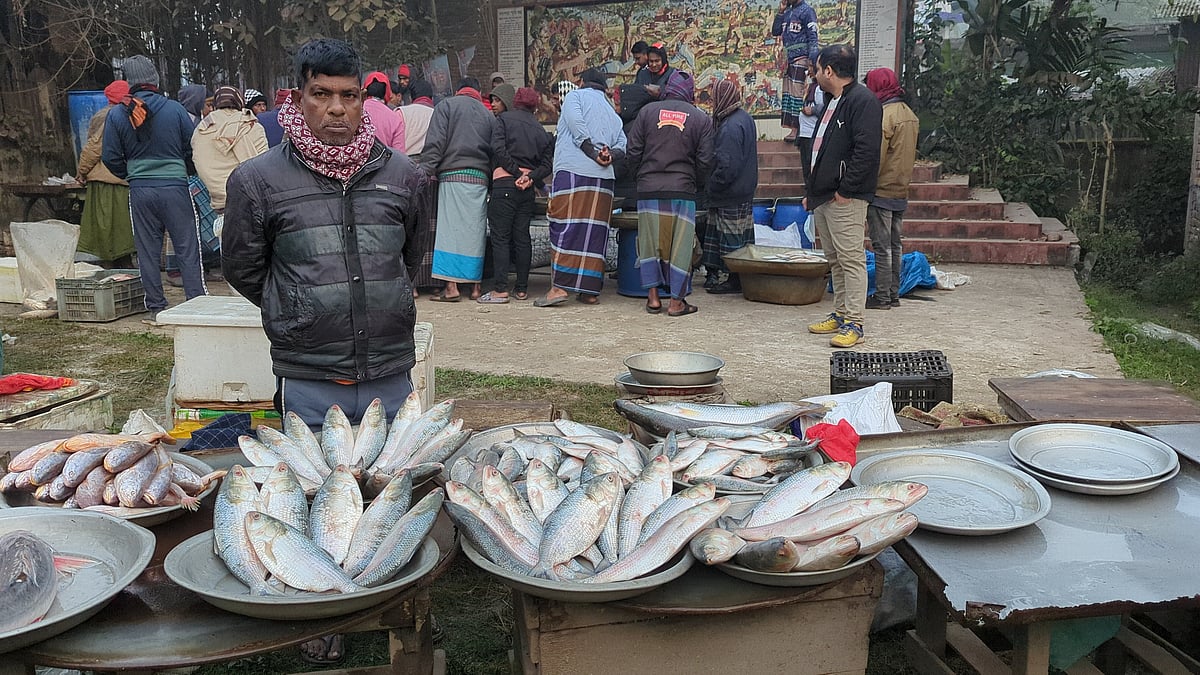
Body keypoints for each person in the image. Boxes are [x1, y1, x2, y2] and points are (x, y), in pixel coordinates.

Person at [223, 42, 425, 669]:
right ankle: (317, 611)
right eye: (322, 95)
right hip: (310, 373)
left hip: (388, 367)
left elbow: (410, 258)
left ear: (364, 100)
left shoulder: (403, 175)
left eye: (349, 96)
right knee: (312, 494)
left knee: (388, 490)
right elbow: (244, 268)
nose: (336, 109)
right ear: (298, 96)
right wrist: (302, 309)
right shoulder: (257, 181)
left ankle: (395, 602)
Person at [103, 55, 206, 320]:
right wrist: (183, 170)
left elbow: (110, 157)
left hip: (140, 191)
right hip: (175, 188)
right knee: (186, 245)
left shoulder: (117, 114)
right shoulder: (175, 110)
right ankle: (196, 305)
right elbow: (192, 148)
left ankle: (157, 307)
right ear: (155, 80)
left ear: (129, 83)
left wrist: (134, 175)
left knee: (147, 249)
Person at [801, 45, 882, 348]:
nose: (816, 74)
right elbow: (821, 149)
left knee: (851, 259)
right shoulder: (833, 99)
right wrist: (812, 191)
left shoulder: (863, 102)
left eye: (818, 69)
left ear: (830, 71)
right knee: (834, 258)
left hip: (845, 197)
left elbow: (866, 152)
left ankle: (855, 323)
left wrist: (845, 191)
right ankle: (839, 313)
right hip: (824, 196)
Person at [626, 70, 715, 317]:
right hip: (682, 191)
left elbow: (632, 151)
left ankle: (653, 298)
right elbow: (706, 160)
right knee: (680, 246)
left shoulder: (646, 113)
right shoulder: (700, 118)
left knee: (649, 243)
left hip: (648, 190)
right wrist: (695, 182)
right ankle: (676, 302)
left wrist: (640, 178)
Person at [538, 67, 625, 307]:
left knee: (564, 227)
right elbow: (622, 143)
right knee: (593, 234)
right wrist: (608, 156)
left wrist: (591, 150)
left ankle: (558, 288)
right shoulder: (610, 109)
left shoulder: (575, 97)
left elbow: (576, 123)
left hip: (573, 172)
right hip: (604, 179)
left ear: (582, 82)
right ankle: (589, 290)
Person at [419, 77, 495, 302]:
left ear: (458, 90)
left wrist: (425, 171)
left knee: (449, 232)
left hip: (452, 176)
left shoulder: (446, 106)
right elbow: (494, 150)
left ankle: (451, 287)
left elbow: (436, 143)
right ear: (478, 91)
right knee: (475, 232)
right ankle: (475, 287)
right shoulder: (488, 114)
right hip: (480, 178)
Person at [481, 86, 553, 304]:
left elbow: (498, 149)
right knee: (522, 238)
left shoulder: (503, 121)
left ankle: (500, 289)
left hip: (504, 184)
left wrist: (515, 172)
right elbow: (547, 164)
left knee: (501, 238)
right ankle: (521, 289)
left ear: (515, 102)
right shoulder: (541, 131)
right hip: (527, 190)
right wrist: (529, 177)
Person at [864, 67, 919, 311]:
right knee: (895, 245)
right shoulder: (909, 114)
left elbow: (877, 158)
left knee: (881, 246)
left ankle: (883, 296)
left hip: (882, 190)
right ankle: (894, 294)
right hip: (901, 188)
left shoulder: (884, 115)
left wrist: (862, 184)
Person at [702, 79, 757, 295]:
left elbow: (727, 166)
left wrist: (712, 186)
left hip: (729, 193)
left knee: (731, 239)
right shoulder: (744, 118)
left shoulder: (729, 127)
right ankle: (732, 276)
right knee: (739, 237)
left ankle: (734, 280)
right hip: (743, 190)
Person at [75, 80, 135, 266]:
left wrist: (81, 171)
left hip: (105, 179)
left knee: (105, 227)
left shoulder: (105, 115)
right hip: (125, 179)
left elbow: (94, 147)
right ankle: (124, 263)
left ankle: (110, 264)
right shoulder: (134, 113)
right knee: (123, 229)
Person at [192, 86, 268, 212]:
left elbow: (198, 161)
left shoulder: (202, 130)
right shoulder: (253, 126)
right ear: (239, 101)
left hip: (220, 203)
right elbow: (265, 164)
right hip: (252, 201)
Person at [398, 80, 439, 296]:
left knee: (408, 226)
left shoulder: (402, 112)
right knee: (430, 228)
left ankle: (410, 284)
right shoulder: (439, 113)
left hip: (406, 171)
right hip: (432, 172)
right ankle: (432, 281)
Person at [772, 0, 819, 142]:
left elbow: (813, 36)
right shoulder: (786, 12)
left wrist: (812, 60)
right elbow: (775, 31)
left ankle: (798, 129)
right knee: (789, 94)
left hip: (802, 57)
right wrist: (780, 12)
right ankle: (793, 127)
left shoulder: (807, 11)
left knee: (798, 93)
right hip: (789, 59)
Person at [362, 71, 406, 150]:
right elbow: (400, 156)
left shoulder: (354, 112)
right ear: (387, 92)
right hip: (385, 161)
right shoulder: (395, 119)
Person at [796, 62, 825, 164]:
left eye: (812, 67)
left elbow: (825, 107)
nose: (808, 70)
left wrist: (812, 110)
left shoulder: (820, 89)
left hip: (812, 134)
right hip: (805, 133)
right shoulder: (811, 86)